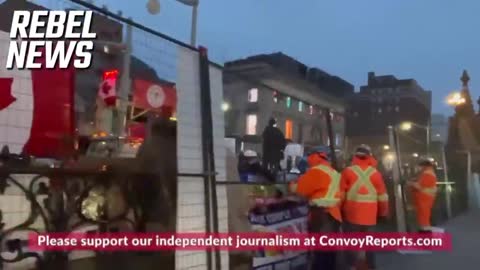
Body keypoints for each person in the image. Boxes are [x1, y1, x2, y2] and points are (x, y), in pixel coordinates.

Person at [288, 146, 342, 270]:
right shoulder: (333, 172)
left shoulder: (316, 171)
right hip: (334, 214)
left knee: (320, 252)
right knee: (330, 251)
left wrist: (292, 185)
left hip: (322, 215)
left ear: (313, 157)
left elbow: (301, 190)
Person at [341, 144, 389, 270]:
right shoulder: (376, 174)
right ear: (370, 157)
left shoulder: (348, 171)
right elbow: (383, 196)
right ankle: (371, 266)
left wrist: (338, 210)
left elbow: (340, 194)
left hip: (351, 214)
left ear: (355, 156)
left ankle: (352, 266)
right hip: (370, 216)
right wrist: (383, 213)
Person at [407, 157, 437, 233]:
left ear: (424, 166)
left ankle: (425, 234)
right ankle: (424, 232)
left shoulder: (427, 174)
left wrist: (409, 183)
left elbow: (420, 186)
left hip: (424, 198)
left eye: (420, 166)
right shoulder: (429, 173)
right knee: (423, 216)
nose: (419, 168)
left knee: (424, 217)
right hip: (425, 198)